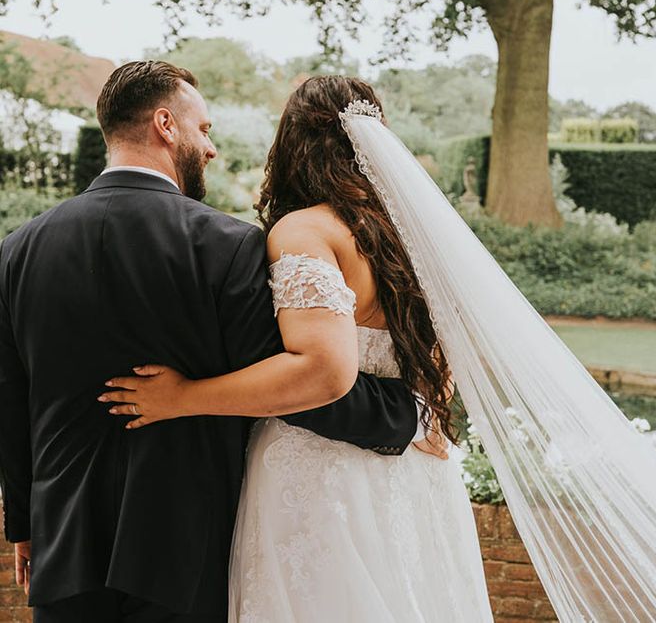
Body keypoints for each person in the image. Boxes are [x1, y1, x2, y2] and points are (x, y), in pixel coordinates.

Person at [0, 62, 424, 623]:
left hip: (64, 545)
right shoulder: (226, 247)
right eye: (205, 130)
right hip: (183, 549)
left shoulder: (17, 250)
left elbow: (12, 397)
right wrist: (401, 412)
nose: (211, 149)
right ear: (166, 124)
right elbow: (289, 378)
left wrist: (26, 526)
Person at [99, 76, 494, 622]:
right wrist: (422, 411)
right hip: (418, 476)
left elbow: (320, 372)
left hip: (319, 480)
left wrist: (182, 396)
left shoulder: (305, 231)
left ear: (291, 143)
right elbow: (442, 364)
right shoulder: (411, 236)